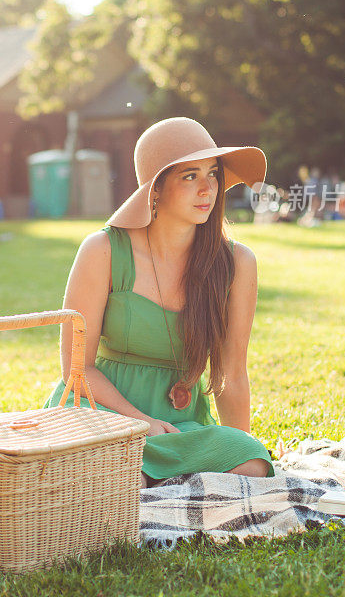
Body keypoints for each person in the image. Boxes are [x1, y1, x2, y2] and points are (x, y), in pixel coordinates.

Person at [44, 117, 274, 486]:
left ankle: (144, 478)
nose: (207, 189)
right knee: (98, 463)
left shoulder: (236, 263)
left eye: (213, 174)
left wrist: (239, 445)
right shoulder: (103, 250)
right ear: (155, 189)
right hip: (102, 413)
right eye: (189, 176)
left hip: (180, 427)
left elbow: (232, 374)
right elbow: (77, 370)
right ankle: (140, 478)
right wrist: (141, 422)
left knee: (252, 463)